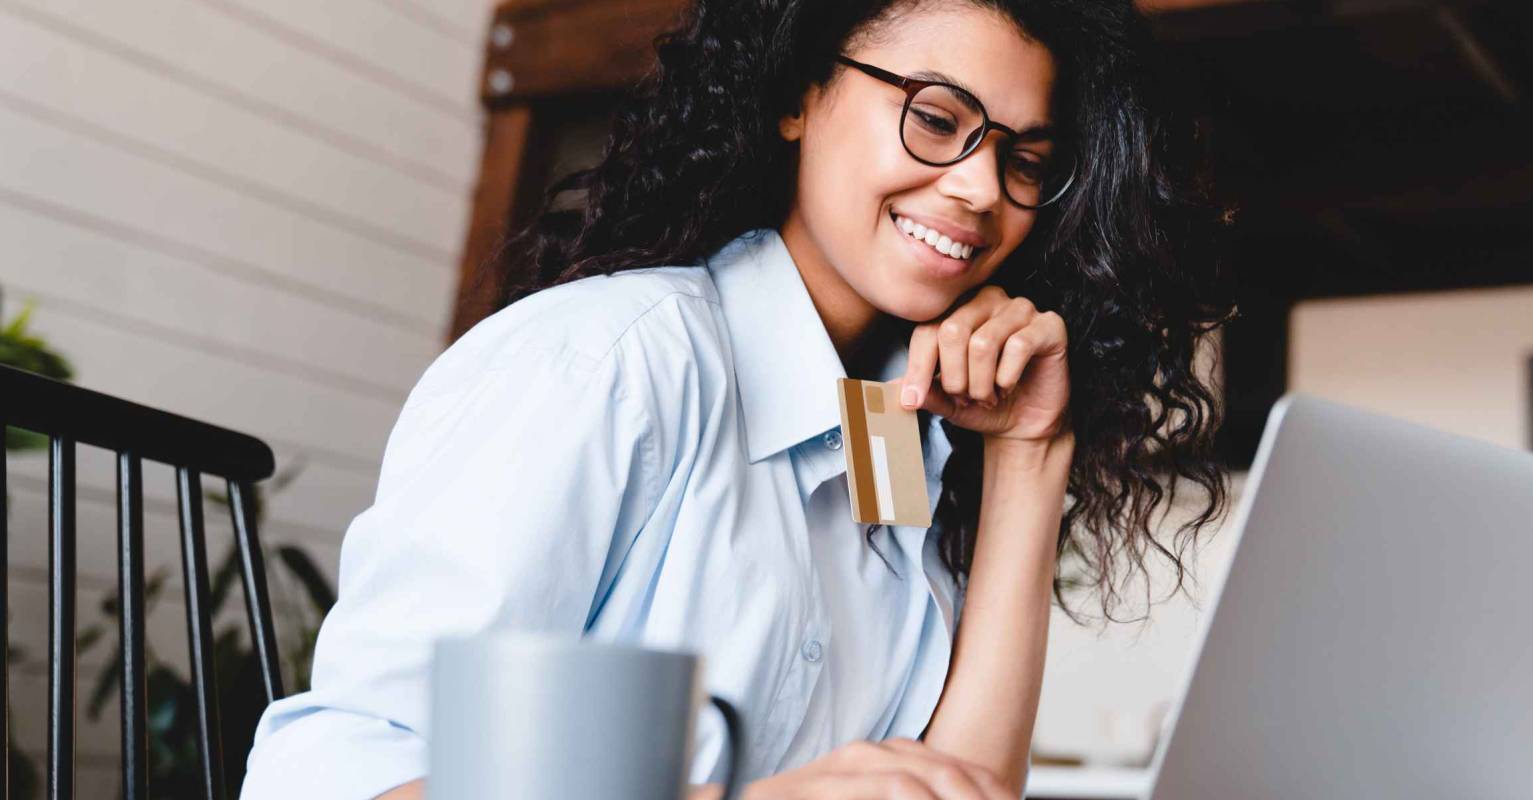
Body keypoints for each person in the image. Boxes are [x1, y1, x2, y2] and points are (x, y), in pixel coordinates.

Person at [240, 0, 1230, 797]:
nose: (980, 188)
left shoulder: (890, 431)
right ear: (798, 94)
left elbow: (956, 787)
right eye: (936, 119)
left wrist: (1030, 450)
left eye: (1026, 161)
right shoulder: (610, 362)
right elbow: (332, 776)